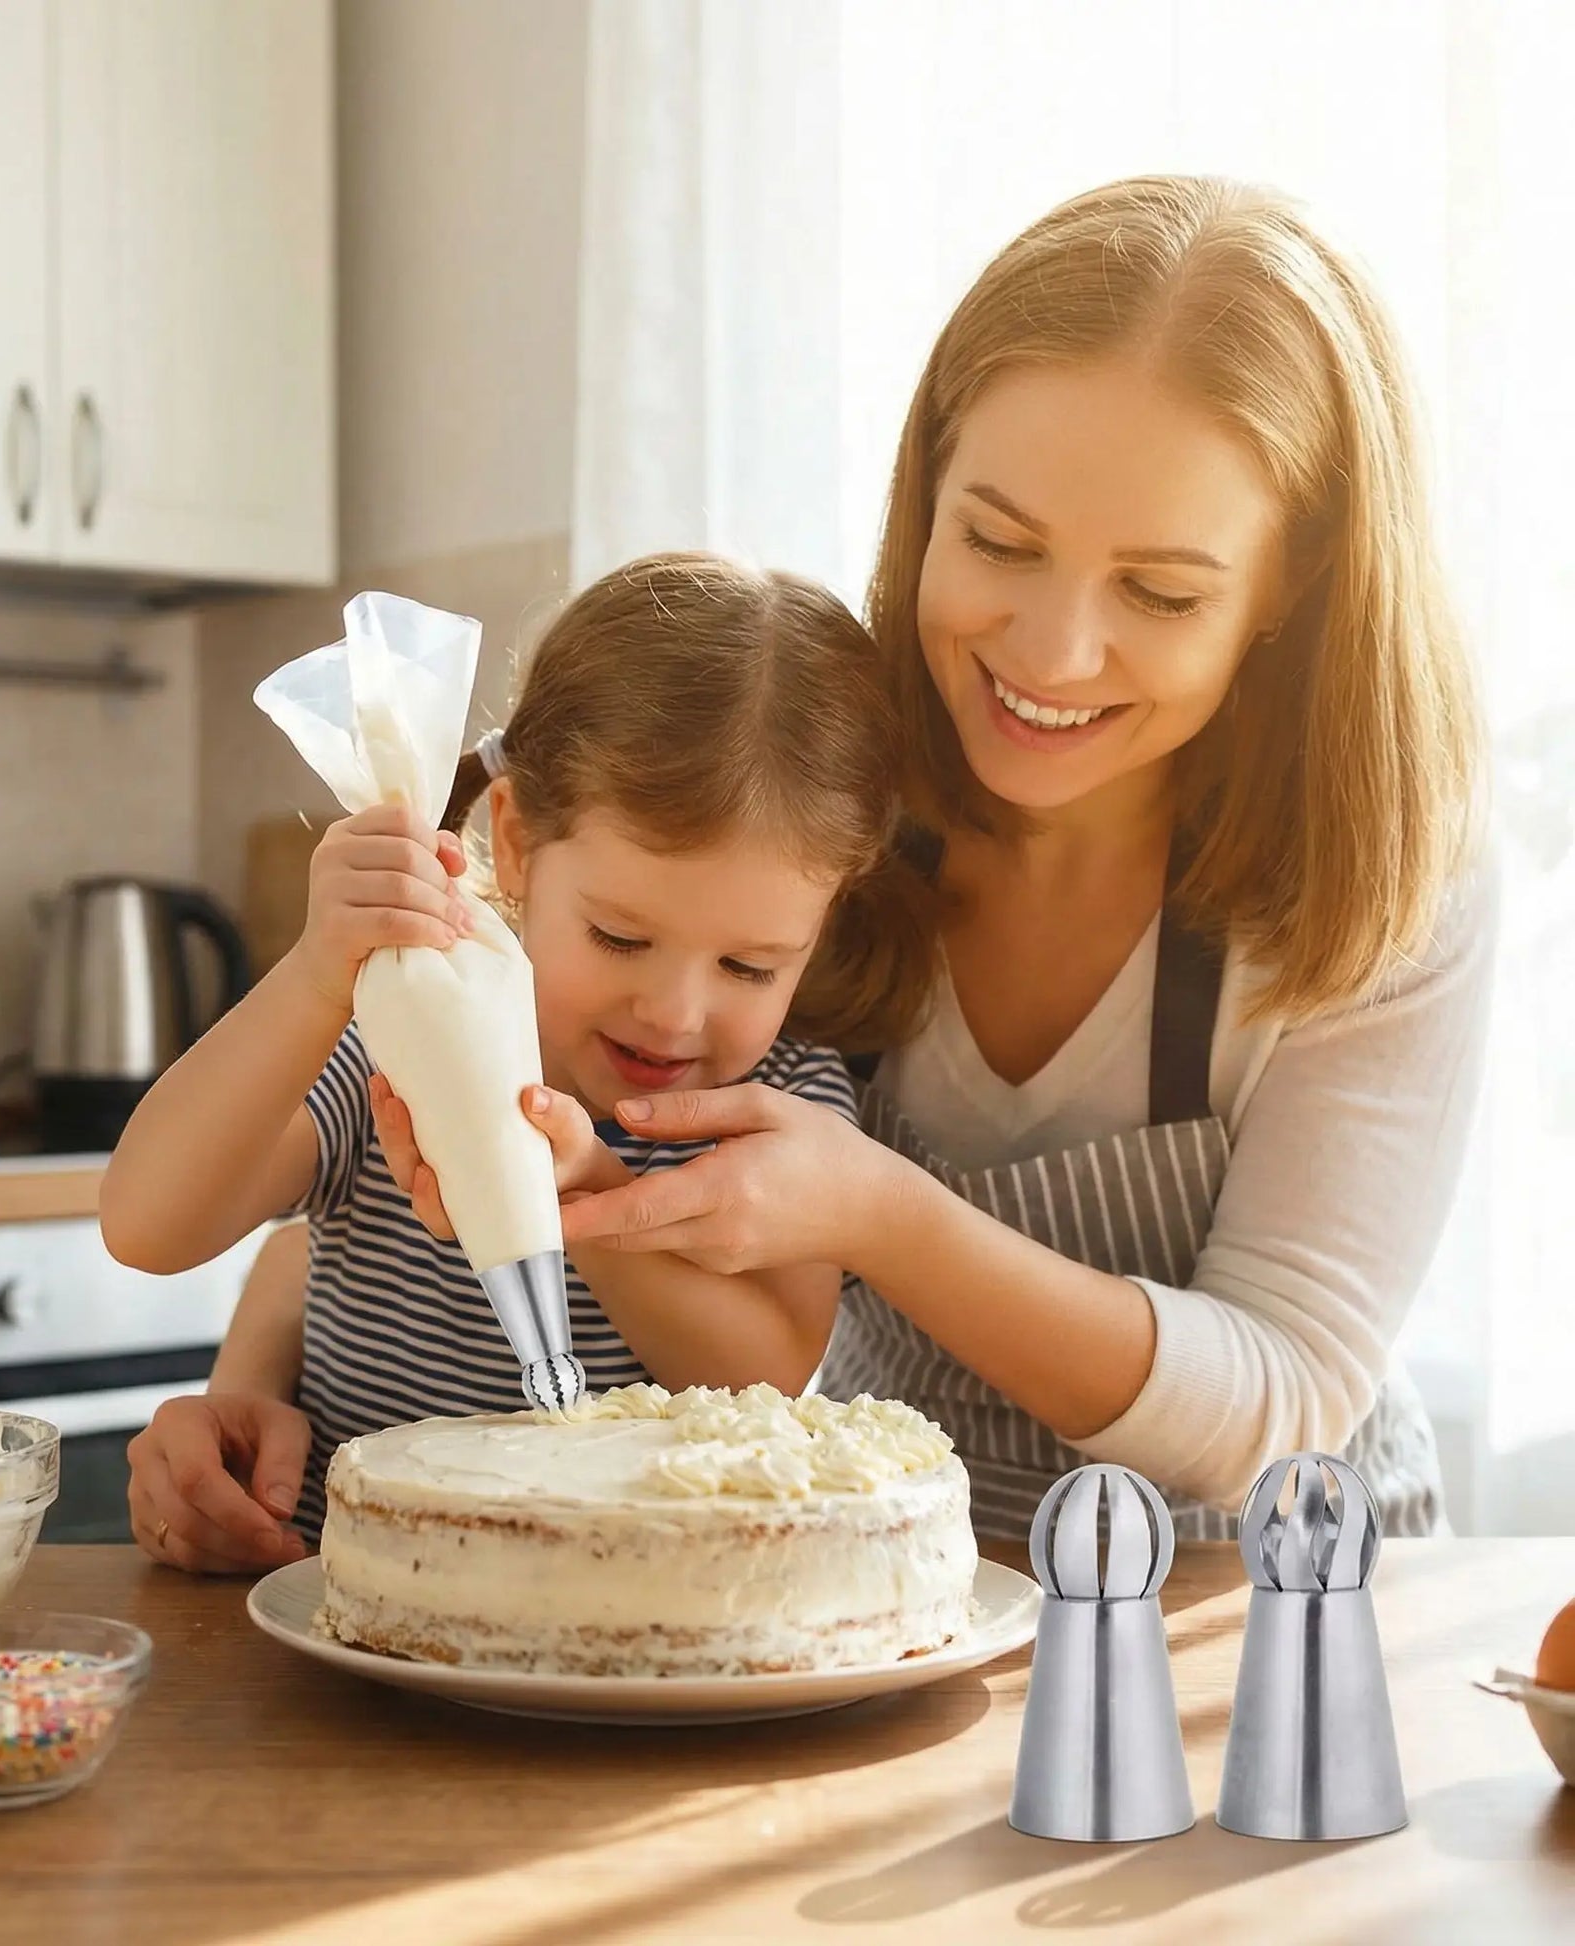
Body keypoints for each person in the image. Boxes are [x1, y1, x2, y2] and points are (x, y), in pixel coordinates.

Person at [545, 176, 1492, 1538]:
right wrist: (269, 1375)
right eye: (995, 540)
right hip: (891, 1593)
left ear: (1292, 578)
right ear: (926, 483)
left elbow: (1274, 1396)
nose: (1049, 657)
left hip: (1266, 1612)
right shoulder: (816, 784)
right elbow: (520, 1089)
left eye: (1159, 592)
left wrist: (883, 1215)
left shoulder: (1390, 863)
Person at [105, 554, 936, 1569]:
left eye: (749, 964)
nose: (675, 1013)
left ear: (823, 919)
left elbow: (764, 1366)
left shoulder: (780, 1108)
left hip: (630, 1646)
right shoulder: (400, 1038)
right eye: (620, 938)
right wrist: (318, 977)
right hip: (355, 1622)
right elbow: (148, 1224)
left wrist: (586, 1193)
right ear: (518, 840)